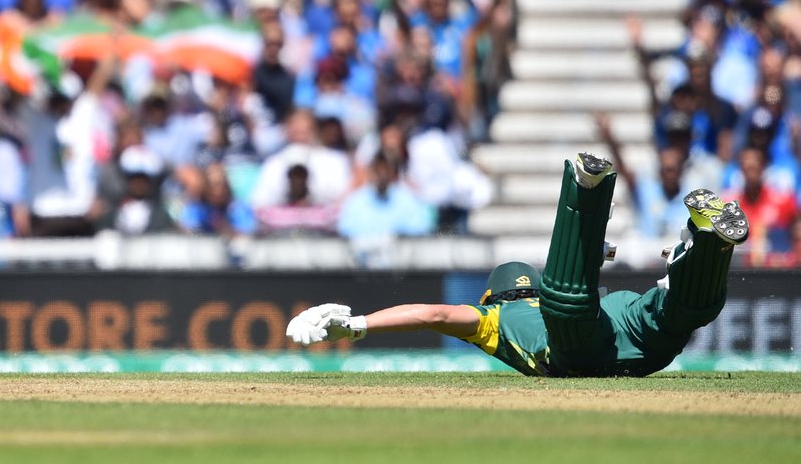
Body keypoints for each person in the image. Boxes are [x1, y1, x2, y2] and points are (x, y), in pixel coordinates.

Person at [289, 153, 751, 377]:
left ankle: (586, 191)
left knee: (567, 303)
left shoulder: (493, 317)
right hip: (629, 330)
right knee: (677, 313)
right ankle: (708, 241)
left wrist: (358, 325)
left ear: (493, 295)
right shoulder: (526, 302)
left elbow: (433, 314)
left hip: (583, 348)